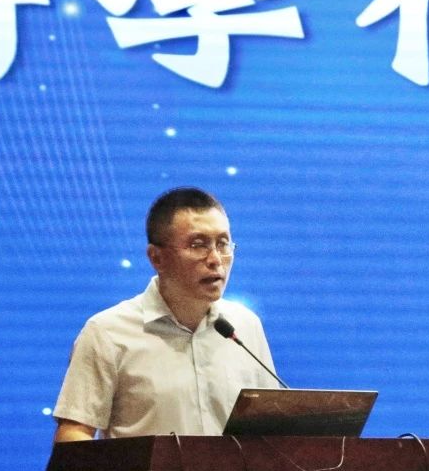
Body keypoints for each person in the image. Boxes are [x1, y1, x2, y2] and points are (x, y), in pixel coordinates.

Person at [52, 187, 277, 441]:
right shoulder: (107, 333)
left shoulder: (245, 327)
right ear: (156, 258)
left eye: (223, 244)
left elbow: (269, 430)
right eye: (198, 245)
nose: (216, 259)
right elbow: (73, 434)